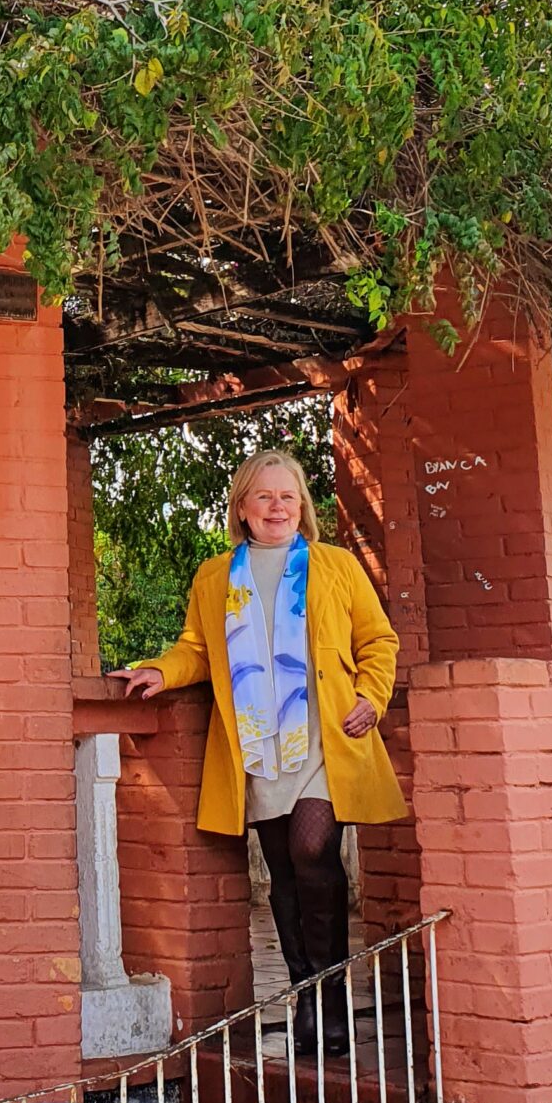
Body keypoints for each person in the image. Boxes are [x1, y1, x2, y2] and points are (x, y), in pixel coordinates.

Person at [112, 447, 405, 1054]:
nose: (278, 507)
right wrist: (161, 673)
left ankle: (330, 994)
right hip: (257, 745)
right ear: (242, 508)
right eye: (265, 496)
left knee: (313, 851)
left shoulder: (338, 567)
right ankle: (307, 998)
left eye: (289, 496)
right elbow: (196, 647)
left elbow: (379, 640)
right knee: (284, 876)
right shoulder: (216, 576)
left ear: (303, 507)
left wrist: (372, 698)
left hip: (324, 739)